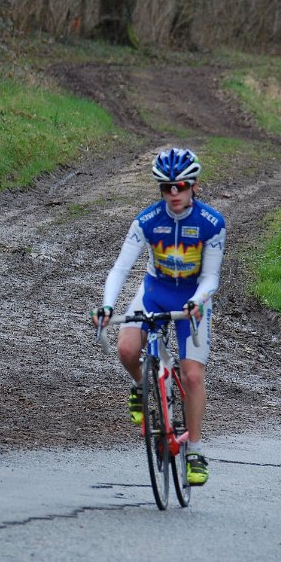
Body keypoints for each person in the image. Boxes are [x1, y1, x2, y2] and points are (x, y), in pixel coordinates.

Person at [92, 147, 226, 486]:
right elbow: (120, 268)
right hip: (154, 292)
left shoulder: (211, 223)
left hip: (192, 299)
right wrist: (107, 306)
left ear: (194, 186)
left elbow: (211, 277)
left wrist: (197, 301)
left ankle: (194, 451)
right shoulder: (147, 220)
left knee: (192, 376)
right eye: (167, 188)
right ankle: (142, 385)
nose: (174, 193)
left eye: (181, 186)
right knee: (126, 349)